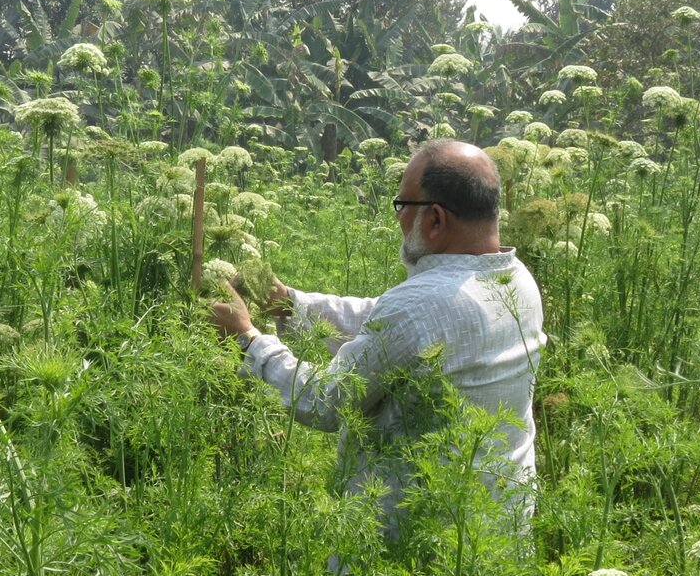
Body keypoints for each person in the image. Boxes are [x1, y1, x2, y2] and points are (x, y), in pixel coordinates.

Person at [208, 137, 546, 554]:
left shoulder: (420, 304)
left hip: (412, 545)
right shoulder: (518, 280)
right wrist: (291, 305)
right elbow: (386, 321)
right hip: (496, 527)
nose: (399, 219)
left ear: (436, 219)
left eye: (402, 206)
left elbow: (325, 400)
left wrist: (247, 339)